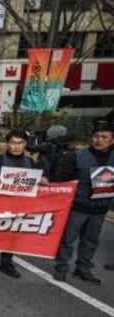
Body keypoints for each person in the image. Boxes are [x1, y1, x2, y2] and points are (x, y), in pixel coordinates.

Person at [52, 121, 114, 284]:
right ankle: (61, 268)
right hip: (77, 207)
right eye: (96, 136)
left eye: (104, 137)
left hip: (100, 209)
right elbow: (61, 180)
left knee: (91, 241)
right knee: (68, 240)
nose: (99, 140)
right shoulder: (77, 156)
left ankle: (83, 269)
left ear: (112, 140)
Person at [0, 128, 49, 278]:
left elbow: (39, 177)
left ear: (25, 144)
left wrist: (43, 180)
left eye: (20, 143)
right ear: (7, 144)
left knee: (13, 235)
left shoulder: (30, 162)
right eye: (12, 143)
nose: (16, 146)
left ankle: (6, 263)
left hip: (20, 205)